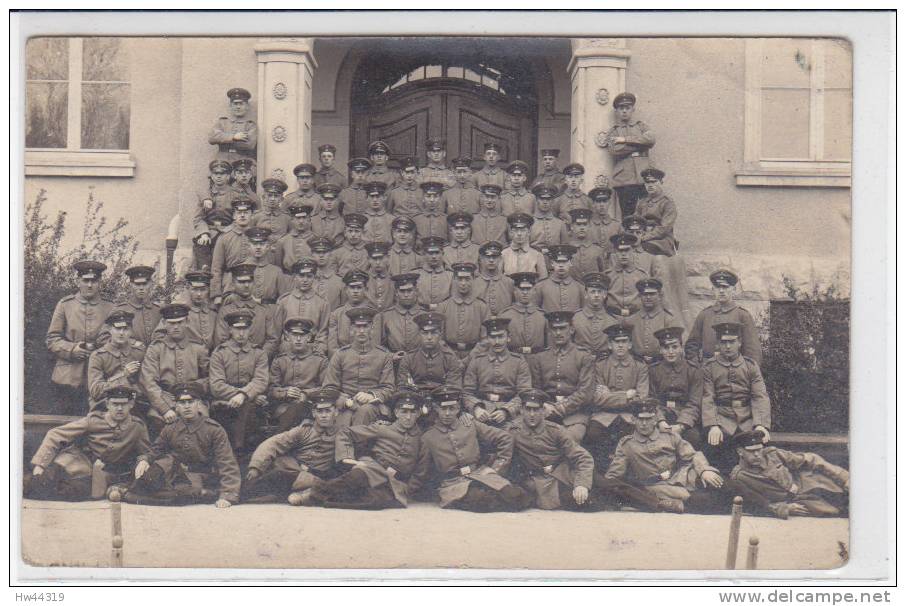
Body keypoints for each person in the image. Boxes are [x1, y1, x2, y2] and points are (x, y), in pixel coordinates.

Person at [294, 390, 428, 509]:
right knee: (358, 476)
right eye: (404, 411)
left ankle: (321, 496)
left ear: (418, 414)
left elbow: (420, 471)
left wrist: (407, 490)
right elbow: (346, 432)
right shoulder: (383, 428)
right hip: (372, 469)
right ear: (396, 412)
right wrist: (347, 457)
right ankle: (313, 494)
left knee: (374, 500)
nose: (408, 417)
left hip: (394, 483)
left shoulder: (422, 439)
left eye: (413, 412)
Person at [27, 386, 151, 502]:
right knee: (38, 483)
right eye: (115, 404)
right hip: (75, 463)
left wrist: (143, 460)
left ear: (131, 404)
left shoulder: (137, 427)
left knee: (73, 492)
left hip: (96, 476)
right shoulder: (93, 421)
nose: (119, 408)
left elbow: (145, 451)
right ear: (107, 404)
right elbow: (56, 434)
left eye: (123, 404)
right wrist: (40, 465)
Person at [416, 387, 531, 512]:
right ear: (436, 408)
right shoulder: (428, 437)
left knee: (517, 496)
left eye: (452, 408)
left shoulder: (470, 424)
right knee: (481, 499)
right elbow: (423, 469)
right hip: (452, 484)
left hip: (479, 474)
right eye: (443, 408)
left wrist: (495, 469)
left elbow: (505, 438)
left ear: (458, 408)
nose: (447, 413)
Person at [601, 398, 723, 514]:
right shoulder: (627, 444)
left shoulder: (669, 436)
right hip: (657, 487)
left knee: (725, 486)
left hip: (684, 478)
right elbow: (615, 475)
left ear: (655, 420)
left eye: (648, 419)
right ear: (633, 420)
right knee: (705, 501)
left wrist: (704, 471)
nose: (644, 424)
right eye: (640, 419)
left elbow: (692, 455)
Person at [129, 382, 240, 508]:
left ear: (198, 404)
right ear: (176, 406)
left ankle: (203, 493)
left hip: (200, 476)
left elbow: (226, 462)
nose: (187, 406)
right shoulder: (171, 428)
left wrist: (227, 495)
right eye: (182, 403)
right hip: (174, 474)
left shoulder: (214, 429)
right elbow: (155, 450)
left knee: (182, 494)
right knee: (154, 473)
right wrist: (145, 460)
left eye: (191, 402)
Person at [508, 389, 606, 511]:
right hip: (539, 482)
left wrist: (582, 485)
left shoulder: (555, 430)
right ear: (521, 410)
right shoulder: (513, 432)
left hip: (564, 476)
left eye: (536, 409)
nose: (532, 414)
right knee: (587, 502)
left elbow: (583, 457)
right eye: (528, 409)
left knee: (608, 488)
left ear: (543, 411)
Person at [245, 388, 344, 502]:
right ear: (313, 413)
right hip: (295, 473)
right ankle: (238, 494)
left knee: (282, 476)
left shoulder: (342, 434)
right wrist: (256, 467)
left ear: (336, 412)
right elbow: (272, 444)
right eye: (320, 411)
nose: (324, 415)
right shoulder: (302, 431)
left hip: (317, 478)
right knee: (275, 471)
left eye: (328, 411)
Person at [725, 430, 850, 519]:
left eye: (759, 449)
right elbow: (757, 503)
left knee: (848, 493)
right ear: (740, 452)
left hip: (809, 482)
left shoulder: (772, 454)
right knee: (837, 512)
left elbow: (811, 458)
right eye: (751, 451)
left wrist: (844, 477)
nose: (757, 454)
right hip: (799, 501)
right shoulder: (739, 477)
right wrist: (783, 509)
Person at [701, 322, 772, 472]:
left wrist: (760, 424)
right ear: (718, 344)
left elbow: (760, 396)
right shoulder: (709, 367)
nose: (727, 346)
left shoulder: (750, 366)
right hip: (722, 417)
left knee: (758, 444)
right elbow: (708, 397)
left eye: (731, 342)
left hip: (747, 418)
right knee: (715, 444)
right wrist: (713, 425)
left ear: (739, 342)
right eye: (723, 342)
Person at [46, 260, 115, 413]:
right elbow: (52, 339)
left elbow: (114, 341)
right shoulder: (65, 304)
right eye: (86, 280)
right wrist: (72, 349)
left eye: (94, 281)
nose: (90, 285)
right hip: (67, 377)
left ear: (100, 282)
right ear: (78, 282)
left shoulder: (110, 307)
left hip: (99, 377)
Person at [527, 311, 596, 441]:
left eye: (562, 328)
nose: (558, 333)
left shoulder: (583, 356)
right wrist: (545, 406)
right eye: (554, 329)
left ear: (571, 330)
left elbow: (585, 392)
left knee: (570, 439)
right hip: (546, 412)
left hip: (575, 415)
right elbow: (536, 389)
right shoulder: (539, 357)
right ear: (550, 331)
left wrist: (559, 407)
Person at [585, 324, 649, 465]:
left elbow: (641, 398)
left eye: (624, 341)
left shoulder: (640, 366)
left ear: (630, 344)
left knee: (632, 434)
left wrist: (610, 396)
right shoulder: (600, 365)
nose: (620, 345)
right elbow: (598, 398)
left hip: (629, 415)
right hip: (604, 415)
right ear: (609, 344)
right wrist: (626, 395)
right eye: (616, 341)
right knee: (593, 433)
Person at [208, 310, 270, 454]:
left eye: (245, 329)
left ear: (250, 329)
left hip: (250, 402)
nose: (241, 333)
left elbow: (261, 380)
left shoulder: (259, 353)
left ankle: (241, 451)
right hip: (225, 401)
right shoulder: (220, 353)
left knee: (251, 414)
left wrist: (243, 396)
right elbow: (216, 385)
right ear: (230, 329)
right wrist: (246, 394)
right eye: (237, 329)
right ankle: (236, 450)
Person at [323, 307, 396, 426]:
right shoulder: (341, 354)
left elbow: (389, 388)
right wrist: (345, 401)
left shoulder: (384, 355)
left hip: (372, 406)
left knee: (364, 412)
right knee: (343, 419)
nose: (361, 331)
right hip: (345, 404)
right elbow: (329, 387)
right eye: (358, 326)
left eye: (365, 326)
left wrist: (371, 395)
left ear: (372, 328)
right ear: (351, 329)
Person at [140, 303, 209, 427]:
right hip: (165, 397)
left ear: (187, 322)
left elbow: (209, 377)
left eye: (180, 322)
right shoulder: (156, 349)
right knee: (156, 419)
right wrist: (164, 408)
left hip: (193, 398)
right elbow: (148, 382)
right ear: (164, 323)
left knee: (201, 419)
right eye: (172, 323)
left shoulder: (198, 347)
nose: (176, 327)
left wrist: (196, 389)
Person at [462, 318, 532, 427]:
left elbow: (524, 393)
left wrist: (506, 411)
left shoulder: (519, 361)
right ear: (488, 339)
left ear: (508, 338)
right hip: (482, 412)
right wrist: (476, 408)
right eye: (493, 337)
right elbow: (467, 393)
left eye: (501, 336)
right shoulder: (477, 360)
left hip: (510, 416)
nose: (497, 342)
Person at [687, 269, 762, 365]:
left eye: (725, 287)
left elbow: (753, 352)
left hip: (735, 373)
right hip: (708, 372)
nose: (721, 291)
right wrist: (698, 369)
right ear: (713, 289)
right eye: (717, 287)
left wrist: (746, 373)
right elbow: (691, 346)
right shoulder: (704, 315)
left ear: (734, 289)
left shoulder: (743, 316)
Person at [267, 318, 328, 435]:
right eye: (294, 335)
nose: (298, 339)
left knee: (299, 407)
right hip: (284, 405)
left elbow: (326, 387)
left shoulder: (320, 360)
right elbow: (271, 389)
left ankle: (277, 439)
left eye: (302, 335)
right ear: (287, 337)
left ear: (309, 338)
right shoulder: (280, 360)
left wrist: (306, 393)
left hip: (311, 405)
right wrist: (285, 392)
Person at [647, 326, 703, 449]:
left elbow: (694, 403)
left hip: (684, 415)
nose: (670, 351)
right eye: (666, 347)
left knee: (694, 437)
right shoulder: (654, 370)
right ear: (660, 350)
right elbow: (651, 400)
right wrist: (660, 421)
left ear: (681, 348)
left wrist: (681, 425)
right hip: (660, 414)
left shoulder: (693, 370)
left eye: (674, 347)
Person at [602, 92, 656, 218]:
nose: (624, 111)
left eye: (627, 108)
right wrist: (640, 144)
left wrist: (624, 140)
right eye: (621, 108)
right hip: (625, 179)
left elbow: (651, 139)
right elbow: (614, 150)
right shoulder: (613, 131)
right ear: (617, 111)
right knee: (627, 215)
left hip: (644, 176)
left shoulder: (641, 126)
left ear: (633, 109)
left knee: (648, 214)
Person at [87, 310, 146, 412]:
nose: (121, 333)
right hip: (104, 407)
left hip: (134, 406)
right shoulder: (98, 356)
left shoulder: (139, 352)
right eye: (118, 328)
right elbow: (95, 391)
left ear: (131, 331)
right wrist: (123, 375)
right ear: (110, 329)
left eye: (126, 329)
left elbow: (146, 384)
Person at [214, 263, 277, 357]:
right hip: (232, 363)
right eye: (241, 282)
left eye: (249, 281)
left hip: (258, 364)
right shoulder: (225, 311)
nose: (246, 285)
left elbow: (272, 340)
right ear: (233, 283)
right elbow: (221, 341)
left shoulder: (264, 310)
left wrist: (258, 358)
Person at [272, 259, 330, 354]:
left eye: (309, 276)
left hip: (312, 351)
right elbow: (276, 334)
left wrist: (318, 352)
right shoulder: (284, 301)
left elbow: (323, 334)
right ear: (295, 277)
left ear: (314, 278)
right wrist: (282, 351)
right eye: (301, 276)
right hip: (287, 351)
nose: (305, 280)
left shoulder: (322, 303)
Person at [397, 312, 464, 392]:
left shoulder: (450, 358)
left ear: (440, 334)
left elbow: (453, 387)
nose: (429, 337)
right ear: (419, 334)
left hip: (443, 397)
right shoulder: (409, 359)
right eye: (425, 333)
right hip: (416, 398)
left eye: (434, 333)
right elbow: (403, 387)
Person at [194, 160, 241, 271]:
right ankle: (204, 271)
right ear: (212, 175)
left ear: (228, 176)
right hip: (211, 231)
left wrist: (229, 229)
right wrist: (204, 233)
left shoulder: (235, 194)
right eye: (216, 174)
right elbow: (198, 218)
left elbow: (239, 216)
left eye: (222, 174)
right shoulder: (206, 195)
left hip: (228, 230)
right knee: (201, 243)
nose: (218, 177)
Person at [437, 262, 490, 360]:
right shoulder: (443, 306)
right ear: (454, 280)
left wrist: (469, 359)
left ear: (473, 280)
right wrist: (452, 358)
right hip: (447, 357)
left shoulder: (482, 307)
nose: (463, 283)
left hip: (475, 358)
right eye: (460, 279)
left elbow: (485, 340)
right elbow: (439, 339)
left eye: (467, 279)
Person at [625, 277, 682, 364]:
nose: (648, 297)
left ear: (659, 295)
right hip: (636, 364)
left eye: (652, 294)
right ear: (640, 296)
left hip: (661, 364)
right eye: (644, 294)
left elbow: (675, 348)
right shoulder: (631, 320)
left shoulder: (668, 319)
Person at [327, 270, 384, 357]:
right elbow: (332, 347)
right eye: (352, 287)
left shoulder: (374, 315)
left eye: (359, 287)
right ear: (346, 289)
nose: (355, 291)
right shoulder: (336, 315)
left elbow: (376, 345)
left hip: (369, 362)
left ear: (366, 289)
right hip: (342, 362)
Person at [210, 197, 255, 303]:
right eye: (239, 212)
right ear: (234, 215)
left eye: (246, 212)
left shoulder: (257, 236)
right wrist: (216, 294)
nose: (243, 215)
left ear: (251, 214)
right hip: (230, 287)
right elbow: (216, 267)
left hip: (253, 285)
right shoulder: (224, 237)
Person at [499, 272, 548, 355]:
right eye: (521, 289)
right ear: (515, 291)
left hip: (537, 359)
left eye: (528, 289)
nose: (525, 292)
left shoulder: (543, 316)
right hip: (514, 360)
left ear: (534, 291)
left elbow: (548, 345)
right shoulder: (505, 315)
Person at [571, 272, 617, 359]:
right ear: (585, 294)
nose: (596, 295)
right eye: (592, 292)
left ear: (605, 295)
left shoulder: (613, 321)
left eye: (599, 292)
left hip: (604, 364)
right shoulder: (575, 318)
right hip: (580, 363)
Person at [633, 167, 678, 257]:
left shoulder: (667, 203)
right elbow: (635, 221)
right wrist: (635, 235)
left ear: (661, 182)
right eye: (647, 182)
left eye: (654, 182)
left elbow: (664, 228)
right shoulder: (641, 202)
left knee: (645, 248)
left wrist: (644, 238)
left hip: (662, 240)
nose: (650, 185)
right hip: (642, 237)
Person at [169, 269, 218, 350]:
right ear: (188, 288)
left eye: (203, 290)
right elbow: (160, 335)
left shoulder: (213, 313)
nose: (199, 294)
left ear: (208, 290)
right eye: (195, 289)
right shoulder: (178, 311)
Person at [604, 233, 649, 319]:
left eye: (627, 250)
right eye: (620, 251)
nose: (623, 254)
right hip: (613, 318)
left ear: (632, 251)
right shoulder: (608, 276)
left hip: (637, 318)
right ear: (615, 252)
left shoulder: (642, 275)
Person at [208, 87, 257, 161]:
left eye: (241, 104)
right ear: (230, 106)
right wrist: (234, 137)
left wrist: (223, 139)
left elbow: (249, 145)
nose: (238, 107)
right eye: (235, 104)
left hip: (242, 161)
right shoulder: (222, 122)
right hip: (222, 161)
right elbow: (212, 138)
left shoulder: (250, 125)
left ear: (247, 106)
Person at [244, 227, 291, 305]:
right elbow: (229, 298)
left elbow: (284, 300)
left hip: (269, 313)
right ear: (248, 246)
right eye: (254, 244)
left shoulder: (276, 272)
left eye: (262, 244)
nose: (258, 247)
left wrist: (263, 302)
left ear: (268, 247)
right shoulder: (239, 269)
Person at [532, 244, 584, 313]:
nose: (561, 265)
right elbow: (535, 312)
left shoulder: (579, 287)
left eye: (564, 262)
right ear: (552, 263)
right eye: (558, 262)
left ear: (570, 263)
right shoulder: (540, 286)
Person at [381, 272, 423, 355]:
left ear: (416, 291)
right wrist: (391, 355)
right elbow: (379, 346)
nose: (406, 295)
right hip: (394, 362)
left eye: (409, 290)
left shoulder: (424, 315)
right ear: (396, 293)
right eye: (402, 291)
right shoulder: (386, 316)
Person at [501, 213, 548, 279]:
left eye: (523, 230)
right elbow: (499, 280)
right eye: (516, 230)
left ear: (528, 232)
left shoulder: (537, 255)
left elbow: (543, 281)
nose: (519, 234)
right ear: (511, 232)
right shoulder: (503, 254)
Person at [473, 241, 514, 316]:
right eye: (487, 257)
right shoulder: (474, 283)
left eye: (495, 257)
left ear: (500, 259)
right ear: (481, 259)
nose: (491, 260)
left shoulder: (509, 283)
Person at [250, 178, 291, 250]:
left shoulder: (287, 218)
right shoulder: (256, 216)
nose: (272, 199)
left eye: (276, 196)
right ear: (264, 197)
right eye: (269, 195)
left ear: (281, 199)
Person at [273, 203, 315, 273]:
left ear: (309, 220)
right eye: (298, 218)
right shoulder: (282, 241)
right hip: (289, 278)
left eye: (304, 218)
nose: (301, 221)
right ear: (292, 220)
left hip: (310, 277)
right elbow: (279, 267)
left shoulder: (315, 240)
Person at [567, 208, 606, 280]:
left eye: (585, 224)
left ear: (589, 226)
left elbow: (603, 273)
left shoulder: (597, 250)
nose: (582, 228)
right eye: (578, 224)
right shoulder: (566, 249)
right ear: (572, 226)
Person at [415, 236, 453, 310]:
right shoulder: (415, 275)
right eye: (430, 253)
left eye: (437, 253)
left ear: (443, 253)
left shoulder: (451, 275)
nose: (434, 256)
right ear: (424, 254)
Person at [530, 185, 569, 253]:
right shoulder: (530, 223)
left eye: (548, 199)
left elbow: (565, 247)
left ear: (553, 201)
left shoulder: (560, 224)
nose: (545, 202)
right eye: (542, 199)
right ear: (536, 200)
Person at [309, 238, 345, 311]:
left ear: (330, 254)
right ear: (312, 254)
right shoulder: (307, 279)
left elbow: (343, 308)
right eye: (317, 252)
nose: (321, 255)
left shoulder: (339, 282)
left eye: (324, 252)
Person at [331, 212, 370, 276]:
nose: (353, 235)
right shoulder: (337, 252)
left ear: (362, 232)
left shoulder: (368, 251)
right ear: (345, 233)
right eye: (350, 231)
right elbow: (333, 275)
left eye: (357, 231)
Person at [365, 241, 395, 312]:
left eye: (381, 258)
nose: (378, 262)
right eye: (374, 259)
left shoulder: (394, 280)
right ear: (369, 259)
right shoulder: (363, 280)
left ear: (387, 258)